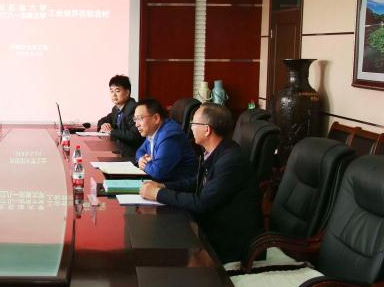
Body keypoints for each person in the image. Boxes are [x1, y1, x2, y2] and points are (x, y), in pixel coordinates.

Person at [139, 103, 263, 263]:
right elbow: (196, 183)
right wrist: (164, 186)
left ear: (207, 129)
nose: (190, 127)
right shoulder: (217, 151)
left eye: (193, 123)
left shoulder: (230, 161)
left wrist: (158, 194)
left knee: (161, 247)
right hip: (212, 227)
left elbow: (201, 203)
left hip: (230, 242)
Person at [134, 98, 197, 182]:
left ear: (156, 118)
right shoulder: (153, 131)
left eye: (140, 118)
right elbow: (140, 151)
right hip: (162, 181)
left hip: (177, 186)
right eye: (135, 119)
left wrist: (145, 165)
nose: (137, 124)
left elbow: (158, 172)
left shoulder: (169, 135)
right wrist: (141, 159)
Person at [97, 74, 143, 156]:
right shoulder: (116, 109)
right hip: (119, 150)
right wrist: (104, 125)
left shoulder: (134, 109)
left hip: (133, 154)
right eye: (111, 91)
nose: (114, 95)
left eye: (117, 91)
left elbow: (134, 135)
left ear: (127, 92)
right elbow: (102, 120)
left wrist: (112, 131)